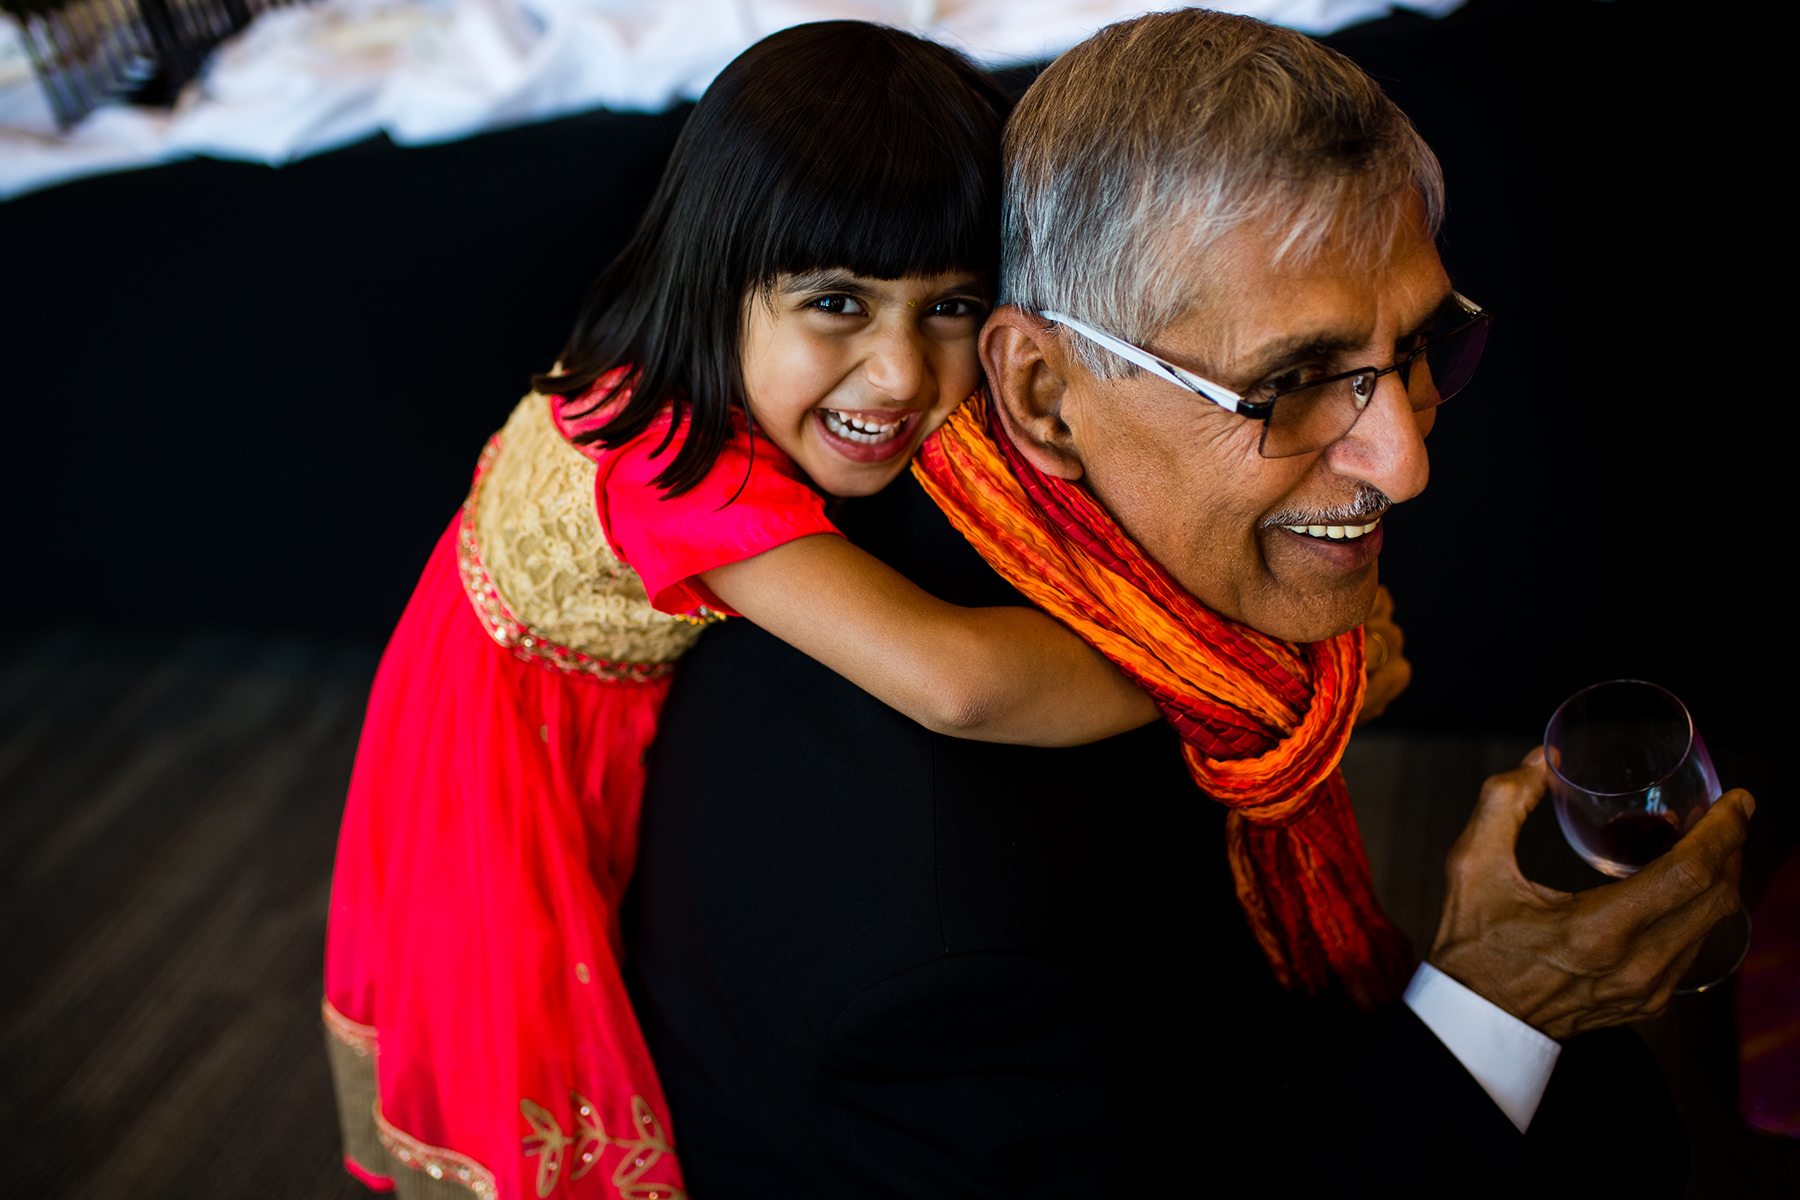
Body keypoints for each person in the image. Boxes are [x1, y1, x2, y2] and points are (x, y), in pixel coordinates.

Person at [624, 10, 1753, 1196]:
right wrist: (1490, 1003)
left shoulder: (985, 484)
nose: (1405, 462)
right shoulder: (946, 964)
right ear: (1046, 391)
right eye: (1294, 383)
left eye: (1416, 349)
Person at [321, 22, 1174, 1200]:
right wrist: (1230, 667)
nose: (900, 376)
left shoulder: (681, 357)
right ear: (718, 275)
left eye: (950, 308)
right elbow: (956, 682)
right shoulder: (686, 475)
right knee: (548, 1082)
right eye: (838, 303)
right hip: (509, 771)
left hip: (498, 692)